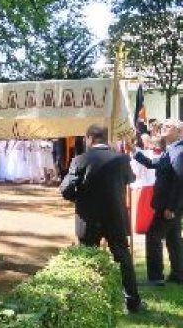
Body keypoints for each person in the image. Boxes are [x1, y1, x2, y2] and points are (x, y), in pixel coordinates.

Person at [60, 124, 144, 312]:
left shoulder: (80, 159)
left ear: (89, 138)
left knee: (87, 258)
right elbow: (130, 179)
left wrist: (79, 199)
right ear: (106, 138)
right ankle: (132, 301)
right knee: (123, 257)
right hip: (115, 216)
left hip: (88, 218)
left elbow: (65, 189)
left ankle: (87, 300)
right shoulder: (121, 159)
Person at [133, 118, 183, 285]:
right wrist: (134, 151)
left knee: (153, 237)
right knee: (173, 239)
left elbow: (180, 181)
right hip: (169, 205)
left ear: (179, 132)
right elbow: (153, 163)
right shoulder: (171, 150)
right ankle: (178, 274)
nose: (163, 128)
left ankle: (155, 277)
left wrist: (171, 207)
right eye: (163, 125)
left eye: (168, 126)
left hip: (168, 205)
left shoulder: (179, 151)